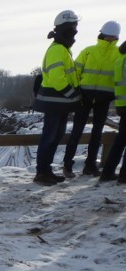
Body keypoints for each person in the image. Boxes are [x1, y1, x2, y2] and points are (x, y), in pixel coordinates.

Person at [63, 21, 121, 177]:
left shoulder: (90, 51)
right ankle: (73, 165)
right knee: (84, 132)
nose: (110, 38)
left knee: (91, 133)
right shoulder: (94, 52)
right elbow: (76, 72)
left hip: (93, 96)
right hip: (91, 97)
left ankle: (83, 166)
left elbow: (75, 72)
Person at [33, 10, 82, 186]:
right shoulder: (57, 50)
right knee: (50, 137)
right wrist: (73, 94)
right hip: (55, 102)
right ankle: (41, 172)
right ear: (67, 28)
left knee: (55, 137)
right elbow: (57, 78)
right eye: (74, 27)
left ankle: (46, 171)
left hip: (60, 104)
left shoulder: (63, 49)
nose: (76, 30)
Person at [99, 40, 126, 183]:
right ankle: (123, 176)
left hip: (122, 104)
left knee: (120, 141)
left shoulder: (120, 59)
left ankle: (107, 172)